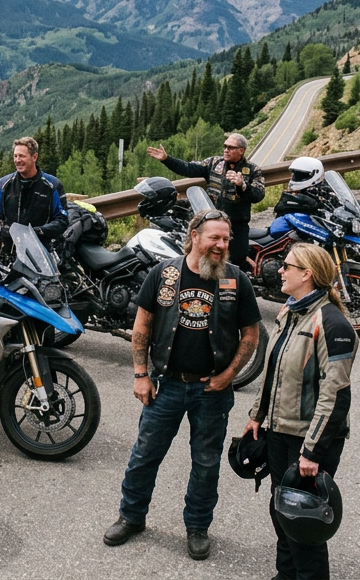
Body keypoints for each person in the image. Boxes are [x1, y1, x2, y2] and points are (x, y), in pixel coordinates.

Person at [104, 208, 262, 561]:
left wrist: (229, 374)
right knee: (144, 456)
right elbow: (142, 325)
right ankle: (131, 516)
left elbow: (251, 333)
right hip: (166, 385)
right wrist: (140, 374)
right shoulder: (164, 273)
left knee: (206, 464)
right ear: (195, 237)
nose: (222, 245)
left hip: (212, 391)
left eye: (226, 239)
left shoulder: (236, 280)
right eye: (215, 238)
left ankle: (197, 527)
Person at [244, 242, 358, 580]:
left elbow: (335, 395)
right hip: (280, 431)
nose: (280, 270)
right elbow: (274, 370)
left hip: (309, 440)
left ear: (306, 274)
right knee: (282, 511)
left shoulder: (333, 324)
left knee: (303, 520)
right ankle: (286, 574)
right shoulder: (290, 311)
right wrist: (257, 415)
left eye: (287, 266)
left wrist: (312, 451)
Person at [147, 133, 265, 269]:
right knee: (205, 259)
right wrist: (167, 159)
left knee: (236, 262)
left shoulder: (253, 170)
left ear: (241, 150)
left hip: (237, 227)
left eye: (231, 147)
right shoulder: (214, 163)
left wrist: (242, 185)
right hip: (211, 223)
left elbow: (259, 195)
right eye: (225, 146)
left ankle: (234, 288)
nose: (226, 150)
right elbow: (188, 168)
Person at [0, 136, 68, 242]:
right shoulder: (3, 184)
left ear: (34, 157)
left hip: (41, 247)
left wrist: (37, 231)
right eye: (15, 156)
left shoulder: (52, 185)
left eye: (22, 156)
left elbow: (62, 220)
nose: (17, 160)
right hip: (9, 248)